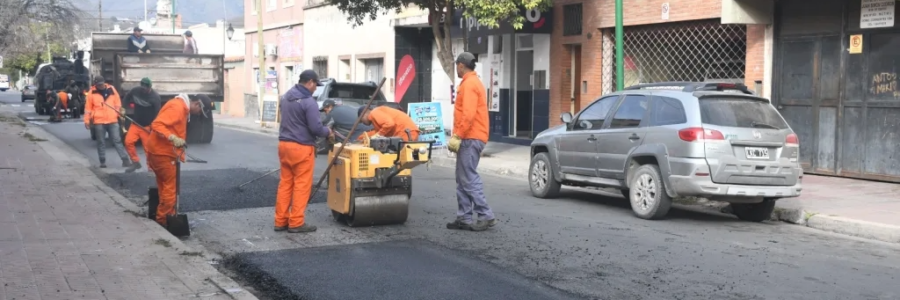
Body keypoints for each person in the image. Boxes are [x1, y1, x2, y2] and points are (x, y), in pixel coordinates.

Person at [275, 69, 333, 233]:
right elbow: (316, 128)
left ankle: (280, 221)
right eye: (316, 85)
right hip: (301, 147)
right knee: (301, 185)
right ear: (310, 82)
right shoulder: (309, 101)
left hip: (284, 145)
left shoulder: (286, 96)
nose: (316, 89)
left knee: (285, 183)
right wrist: (328, 132)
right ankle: (296, 222)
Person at [446, 52, 496, 231]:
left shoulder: (469, 85)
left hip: (470, 136)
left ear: (460, 65)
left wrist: (458, 135)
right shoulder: (474, 82)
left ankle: (485, 215)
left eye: (456, 66)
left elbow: (467, 114)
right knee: (462, 178)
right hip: (472, 135)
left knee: (467, 177)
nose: (456, 69)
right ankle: (464, 217)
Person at [145, 93, 210, 227]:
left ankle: (166, 216)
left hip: (159, 152)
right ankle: (163, 221)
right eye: (199, 111)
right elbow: (157, 124)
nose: (198, 114)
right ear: (197, 104)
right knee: (171, 190)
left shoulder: (181, 107)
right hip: (163, 153)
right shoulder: (177, 108)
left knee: (164, 187)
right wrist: (172, 138)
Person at [83, 76, 131, 169]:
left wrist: (119, 115)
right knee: (101, 142)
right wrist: (87, 121)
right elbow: (88, 109)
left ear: (104, 83)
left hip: (112, 120)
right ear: (95, 84)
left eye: (101, 84)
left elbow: (117, 103)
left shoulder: (111, 89)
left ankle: (125, 160)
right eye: (98, 85)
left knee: (117, 141)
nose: (100, 86)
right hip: (99, 121)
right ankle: (102, 161)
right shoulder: (91, 93)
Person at [122, 77, 162, 173]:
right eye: (142, 87)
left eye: (146, 87)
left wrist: (154, 126)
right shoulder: (135, 91)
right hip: (135, 123)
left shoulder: (155, 97)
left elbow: (158, 113)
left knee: (148, 149)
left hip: (147, 126)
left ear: (150, 87)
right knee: (128, 142)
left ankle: (151, 168)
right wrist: (123, 108)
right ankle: (136, 162)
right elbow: (127, 96)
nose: (144, 89)